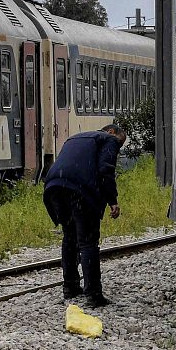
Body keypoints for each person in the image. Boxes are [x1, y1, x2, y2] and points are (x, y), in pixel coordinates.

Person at [43, 124, 126, 307]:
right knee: (88, 241)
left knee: (70, 237)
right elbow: (106, 170)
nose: (117, 150)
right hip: (79, 190)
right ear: (111, 132)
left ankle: (70, 287)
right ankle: (94, 295)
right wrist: (113, 200)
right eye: (120, 144)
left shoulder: (76, 137)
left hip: (54, 187)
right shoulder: (108, 139)